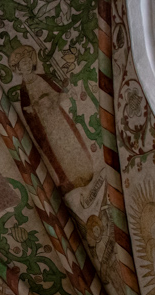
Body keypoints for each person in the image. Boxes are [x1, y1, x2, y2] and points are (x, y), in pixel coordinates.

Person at [10, 45, 93, 193]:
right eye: (23, 63)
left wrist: (64, 89)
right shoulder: (23, 91)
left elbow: (58, 93)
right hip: (45, 125)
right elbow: (27, 115)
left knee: (71, 143)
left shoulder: (42, 78)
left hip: (58, 117)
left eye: (28, 61)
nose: (27, 65)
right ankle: (69, 179)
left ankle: (85, 172)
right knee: (58, 151)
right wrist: (34, 108)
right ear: (19, 68)